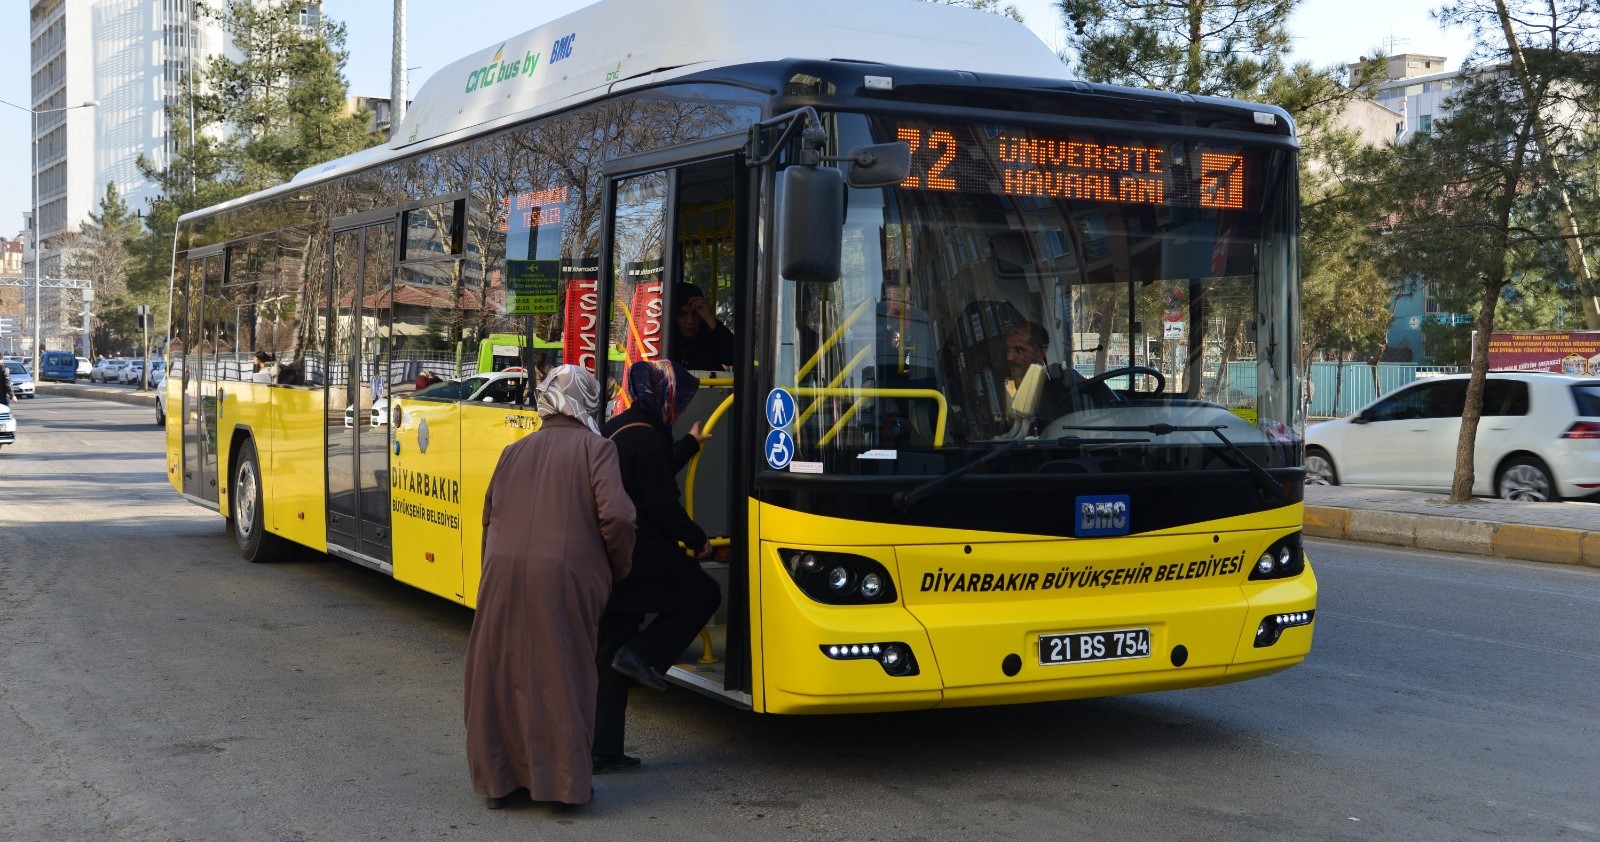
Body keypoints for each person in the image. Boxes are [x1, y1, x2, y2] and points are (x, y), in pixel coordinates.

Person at [463, 365, 637, 811]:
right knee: (564, 673)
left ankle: (502, 782)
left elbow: (490, 514)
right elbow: (617, 517)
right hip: (565, 575)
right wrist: (617, 568)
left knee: (502, 672)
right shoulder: (598, 449)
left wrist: (493, 567)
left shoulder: (514, 450)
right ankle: (561, 786)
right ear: (587, 401)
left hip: (502, 571)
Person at [594, 359, 721, 774]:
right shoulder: (649, 440)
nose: (681, 408)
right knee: (703, 594)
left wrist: (689, 444)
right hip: (644, 556)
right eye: (679, 400)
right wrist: (698, 540)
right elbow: (663, 506)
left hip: (609, 558)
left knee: (609, 654)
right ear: (663, 398)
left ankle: (603, 751)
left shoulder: (618, 428)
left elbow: (651, 469)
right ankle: (645, 657)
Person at [671, 282, 736, 371]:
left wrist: (710, 319)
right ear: (673, 316)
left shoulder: (709, 334)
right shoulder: (663, 341)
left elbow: (733, 357)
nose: (690, 321)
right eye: (682, 314)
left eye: (695, 313)